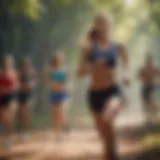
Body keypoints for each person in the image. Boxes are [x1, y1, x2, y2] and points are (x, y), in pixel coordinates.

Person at [78, 13, 130, 160]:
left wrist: (126, 76)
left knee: (108, 119)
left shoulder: (118, 45)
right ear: (95, 26)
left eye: (105, 22)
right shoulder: (88, 47)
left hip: (113, 91)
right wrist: (93, 66)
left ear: (110, 24)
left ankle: (113, 156)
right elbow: (80, 72)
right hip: (95, 94)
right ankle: (111, 154)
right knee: (104, 132)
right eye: (99, 23)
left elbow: (126, 64)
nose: (103, 26)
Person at [44, 51, 69, 140]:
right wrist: (53, 84)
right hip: (53, 94)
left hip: (62, 94)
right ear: (54, 60)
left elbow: (67, 83)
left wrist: (65, 87)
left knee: (61, 112)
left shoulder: (65, 70)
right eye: (57, 59)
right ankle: (57, 134)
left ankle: (62, 127)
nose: (58, 60)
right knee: (55, 116)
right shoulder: (50, 70)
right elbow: (47, 82)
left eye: (60, 59)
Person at [0, 55, 19, 148]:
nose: (8, 63)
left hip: (11, 97)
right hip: (2, 98)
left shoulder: (13, 73)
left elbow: (16, 85)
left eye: (9, 62)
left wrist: (9, 88)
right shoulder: (1, 72)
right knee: (4, 119)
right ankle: (5, 136)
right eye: (6, 62)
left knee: (10, 119)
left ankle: (8, 139)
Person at [17, 56, 37, 139]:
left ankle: (26, 131)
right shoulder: (19, 72)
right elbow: (17, 82)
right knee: (21, 114)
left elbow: (35, 82)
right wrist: (22, 86)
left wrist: (30, 85)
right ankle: (22, 130)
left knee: (27, 114)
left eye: (27, 63)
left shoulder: (32, 72)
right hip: (21, 95)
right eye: (25, 63)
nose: (26, 64)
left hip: (29, 96)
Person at [138, 53, 160, 126]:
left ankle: (154, 118)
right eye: (148, 59)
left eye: (150, 59)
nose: (149, 61)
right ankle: (148, 119)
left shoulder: (154, 68)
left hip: (151, 87)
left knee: (152, 102)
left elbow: (158, 75)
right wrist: (143, 78)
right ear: (146, 60)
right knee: (146, 104)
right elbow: (139, 76)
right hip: (145, 87)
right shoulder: (143, 68)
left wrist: (158, 82)